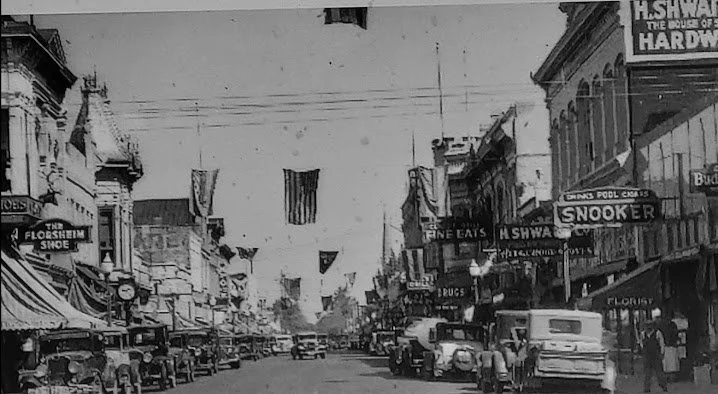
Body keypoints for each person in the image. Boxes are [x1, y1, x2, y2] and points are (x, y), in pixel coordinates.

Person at [642, 320, 668, 392]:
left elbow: (662, 343)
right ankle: (647, 388)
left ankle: (663, 386)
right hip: (647, 356)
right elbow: (642, 344)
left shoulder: (658, 333)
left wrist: (662, 353)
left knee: (659, 372)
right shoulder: (643, 334)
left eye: (650, 325)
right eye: (647, 325)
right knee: (647, 373)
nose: (648, 327)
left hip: (656, 355)